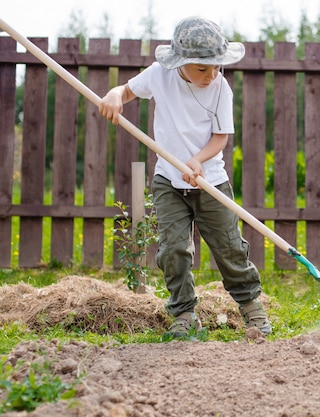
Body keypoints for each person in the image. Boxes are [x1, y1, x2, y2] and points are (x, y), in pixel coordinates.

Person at [99, 16, 271, 339]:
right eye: (202, 68)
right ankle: (184, 314)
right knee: (173, 250)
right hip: (168, 180)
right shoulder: (160, 75)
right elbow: (125, 92)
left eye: (217, 67)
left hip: (210, 180)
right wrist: (113, 95)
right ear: (180, 61)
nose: (212, 75)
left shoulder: (221, 88)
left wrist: (197, 160)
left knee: (229, 247)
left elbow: (220, 137)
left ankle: (251, 308)